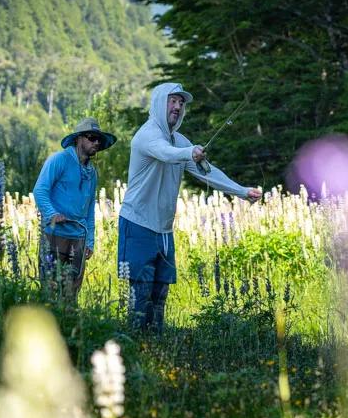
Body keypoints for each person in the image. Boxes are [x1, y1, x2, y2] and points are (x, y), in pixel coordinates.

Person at [119, 82, 261, 332]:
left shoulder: (179, 141)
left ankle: (155, 344)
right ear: (159, 102)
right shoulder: (147, 135)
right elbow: (165, 153)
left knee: (160, 294)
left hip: (164, 230)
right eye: (172, 101)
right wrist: (189, 152)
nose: (177, 107)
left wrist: (241, 191)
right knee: (140, 294)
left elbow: (207, 171)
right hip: (137, 224)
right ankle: (134, 343)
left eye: (181, 103)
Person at [33, 117, 117, 303]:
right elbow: (40, 190)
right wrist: (52, 214)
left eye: (99, 139)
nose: (96, 142)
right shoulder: (59, 160)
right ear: (78, 139)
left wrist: (90, 242)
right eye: (91, 137)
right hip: (54, 234)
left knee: (71, 294)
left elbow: (89, 209)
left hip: (78, 238)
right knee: (49, 290)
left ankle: (69, 320)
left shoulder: (92, 173)